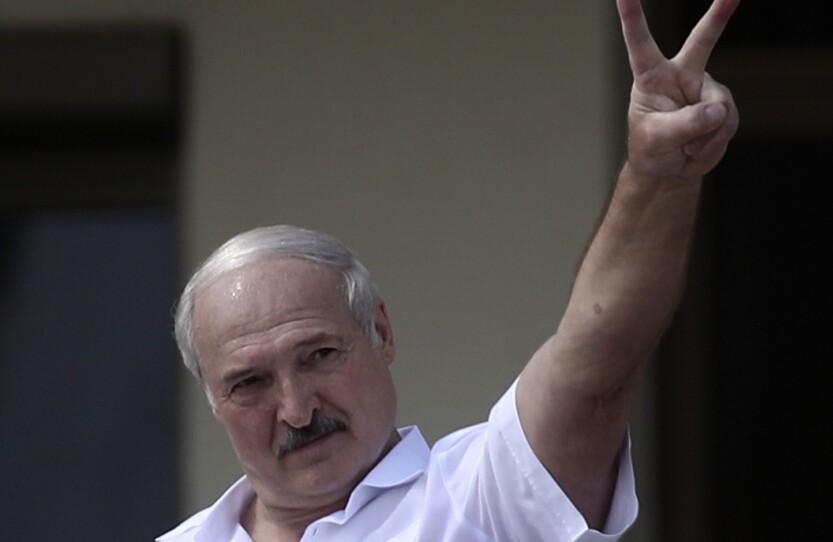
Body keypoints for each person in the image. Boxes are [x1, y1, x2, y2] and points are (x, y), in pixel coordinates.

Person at [158, 0, 740, 540]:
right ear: (212, 398)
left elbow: (597, 362)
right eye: (249, 383)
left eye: (319, 355)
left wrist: (657, 177)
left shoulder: (484, 495)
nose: (298, 409)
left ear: (380, 333)